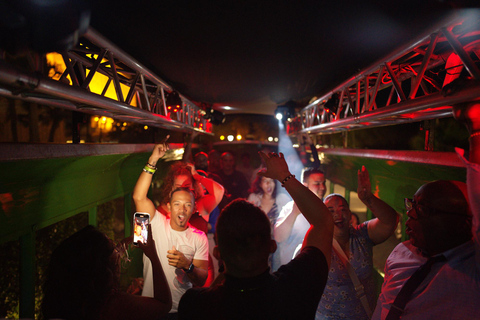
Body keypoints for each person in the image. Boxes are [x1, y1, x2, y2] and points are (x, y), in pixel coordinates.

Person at [178, 151, 334, 320]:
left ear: (217, 253)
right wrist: (284, 175)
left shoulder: (196, 305)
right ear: (271, 246)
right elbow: (323, 222)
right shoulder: (294, 286)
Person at [372, 100, 480, 320]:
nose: (410, 214)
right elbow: (383, 304)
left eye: (423, 208)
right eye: (412, 204)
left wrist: (476, 130)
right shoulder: (401, 252)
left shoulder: (474, 269)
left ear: (462, 221)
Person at [133, 139, 209, 317]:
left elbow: (202, 278)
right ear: (169, 204)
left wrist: (187, 266)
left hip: (182, 311)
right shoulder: (157, 222)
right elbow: (138, 197)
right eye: (177, 203)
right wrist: (152, 160)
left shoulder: (199, 237)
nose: (182, 209)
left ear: (194, 208)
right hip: (152, 308)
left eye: (187, 205)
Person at [316, 166, 399, 319]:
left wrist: (368, 199)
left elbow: (390, 221)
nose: (338, 215)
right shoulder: (318, 243)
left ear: (350, 214)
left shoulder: (362, 235)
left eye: (343, 209)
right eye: (331, 211)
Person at [42, 225, 172, 320]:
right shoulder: (110, 304)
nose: (118, 250)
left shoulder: (67, 296)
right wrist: (152, 254)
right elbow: (163, 305)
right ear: (101, 265)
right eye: (112, 247)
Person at [272, 167, 326, 271]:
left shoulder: (327, 208)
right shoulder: (290, 207)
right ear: (304, 186)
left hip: (317, 270)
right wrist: (294, 212)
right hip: (291, 271)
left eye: (324, 183)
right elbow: (278, 237)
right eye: (317, 183)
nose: (322, 187)